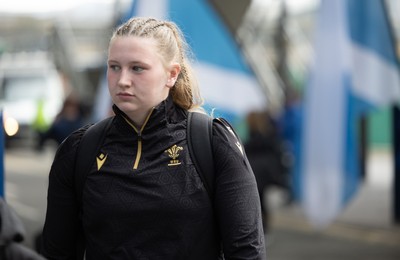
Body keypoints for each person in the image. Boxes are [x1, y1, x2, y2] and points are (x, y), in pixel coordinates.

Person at [41, 17, 266, 259]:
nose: (123, 80)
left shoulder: (212, 143)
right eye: (114, 66)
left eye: (137, 68)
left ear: (171, 75)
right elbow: (57, 252)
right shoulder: (79, 150)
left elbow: (246, 252)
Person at [244, 110, 290, 235]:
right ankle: (263, 228)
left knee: (257, 201)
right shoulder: (270, 134)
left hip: (255, 172)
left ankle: (261, 228)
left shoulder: (252, 138)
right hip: (265, 172)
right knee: (261, 200)